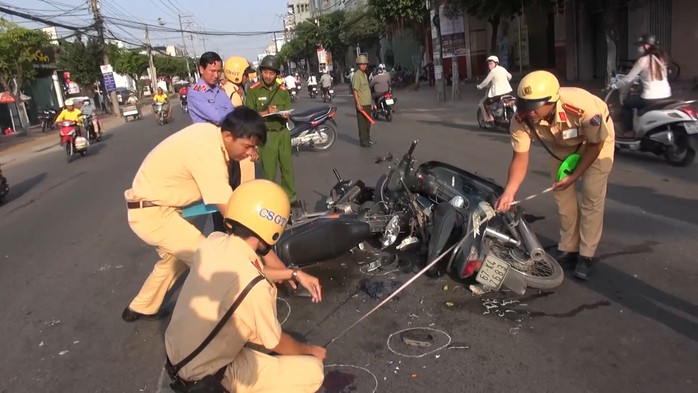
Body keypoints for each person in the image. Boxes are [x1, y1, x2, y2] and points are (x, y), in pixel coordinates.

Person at [121, 108, 315, 322]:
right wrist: (280, 269)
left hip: (160, 208)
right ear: (229, 136)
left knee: (174, 259)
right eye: (248, 147)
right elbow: (239, 222)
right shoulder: (208, 151)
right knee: (209, 259)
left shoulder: (211, 136)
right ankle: (230, 321)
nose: (251, 154)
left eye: (255, 148)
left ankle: (141, 307)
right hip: (153, 213)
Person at [165, 179, 325, 393]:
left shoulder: (214, 242)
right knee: (312, 371)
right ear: (273, 227)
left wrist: (293, 273)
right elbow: (275, 342)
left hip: (178, 357)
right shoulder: (255, 288)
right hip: (207, 377)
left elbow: (248, 274)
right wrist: (309, 350)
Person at [494, 70, 615, 280]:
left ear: (552, 101)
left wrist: (575, 175)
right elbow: (520, 158)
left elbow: (595, 144)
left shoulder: (582, 108)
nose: (529, 112)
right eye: (525, 106)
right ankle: (569, 248)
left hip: (595, 141)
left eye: (534, 107)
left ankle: (586, 255)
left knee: (591, 195)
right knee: (562, 193)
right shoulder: (522, 118)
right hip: (562, 145)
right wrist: (509, 192)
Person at [245, 55, 301, 212]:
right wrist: (266, 111)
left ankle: (290, 197)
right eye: (266, 72)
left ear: (277, 74)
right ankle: (270, 200)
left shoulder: (282, 90)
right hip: (266, 134)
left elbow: (288, 109)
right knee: (269, 170)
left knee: (287, 168)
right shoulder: (253, 91)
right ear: (261, 72)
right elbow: (250, 116)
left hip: (283, 132)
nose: (268, 76)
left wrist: (285, 114)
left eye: (272, 73)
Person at [612, 34, 672, 138]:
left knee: (627, 104)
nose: (639, 48)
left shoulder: (643, 60)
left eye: (640, 45)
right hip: (666, 95)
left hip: (650, 98)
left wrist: (614, 86)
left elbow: (628, 79)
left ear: (647, 46)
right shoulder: (662, 58)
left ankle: (628, 131)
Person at [188, 51, 235, 126]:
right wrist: (228, 113)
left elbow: (233, 112)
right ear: (201, 69)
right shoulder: (195, 93)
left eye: (219, 71)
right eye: (212, 71)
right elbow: (217, 118)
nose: (216, 75)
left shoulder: (220, 90)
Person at [476, 55, 513, 123]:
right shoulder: (502, 68)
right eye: (488, 64)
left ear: (496, 63)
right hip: (507, 92)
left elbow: (486, 81)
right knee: (500, 103)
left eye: (491, 63)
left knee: (485, 103)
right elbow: (510, 76)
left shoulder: (493, 71)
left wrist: (479, 87)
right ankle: (499, 115)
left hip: (497, 94)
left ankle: (490, 117)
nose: (489, 65)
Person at [352, 54, 375, 148]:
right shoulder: (357, 75)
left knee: (368, 123)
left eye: (365, 64)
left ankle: (368, 138)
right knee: (362, 123)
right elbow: (355, 91)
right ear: (358, 65)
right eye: (362, 64)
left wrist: (371, 102)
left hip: (367, 102)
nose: (364, 65)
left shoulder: (365, 75)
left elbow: (367, 90)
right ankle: (363, 141)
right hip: (361, 103)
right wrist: (358, 103)